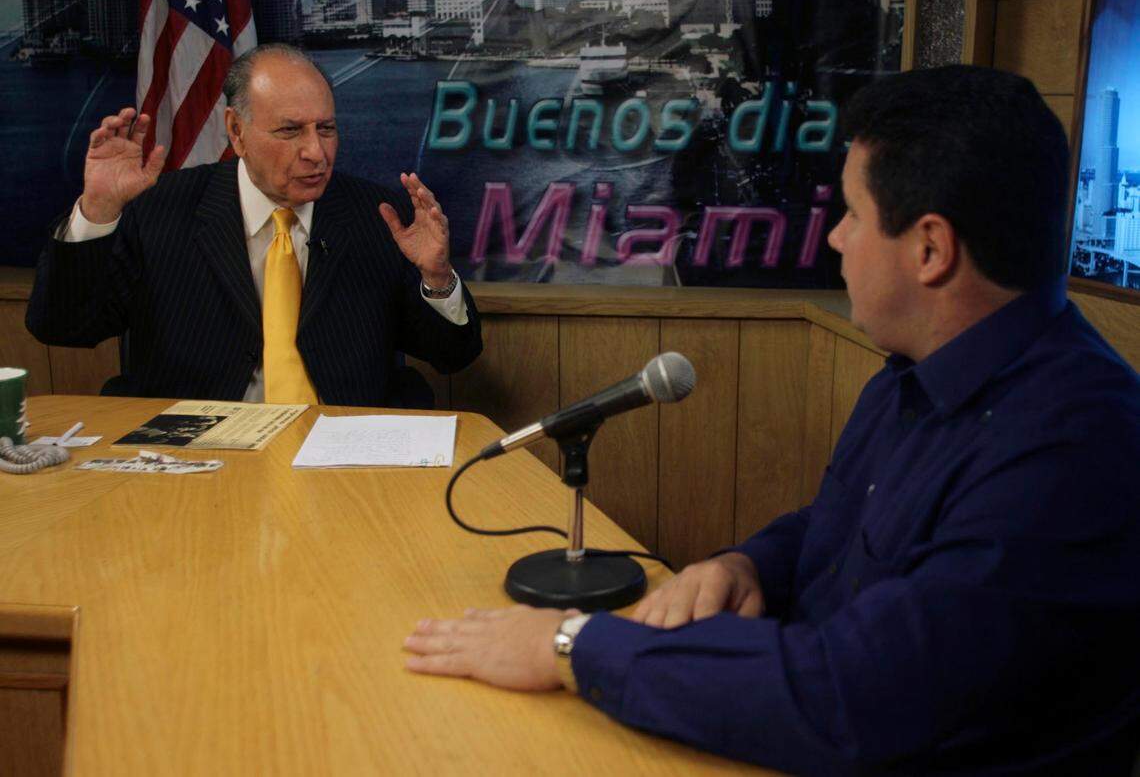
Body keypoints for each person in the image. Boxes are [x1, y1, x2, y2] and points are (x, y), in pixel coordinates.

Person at [402, 65, 1140, 774]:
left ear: (930, 249)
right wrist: (746, 564)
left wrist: (571, 647)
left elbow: (855, 697)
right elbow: (845, 528)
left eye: (852, 215)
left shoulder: (1078, 446)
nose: (835, 239)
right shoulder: (911, 375)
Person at [26, 43, 481, 406]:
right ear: (237, 131)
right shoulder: (161, 208)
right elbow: (64, 328)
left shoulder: (376, 214)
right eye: (289, 131)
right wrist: (98, 211)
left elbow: (452, 356)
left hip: (342, 452)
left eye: (326, 129)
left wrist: (437, 278)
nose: (316, 153)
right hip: (198, 457)